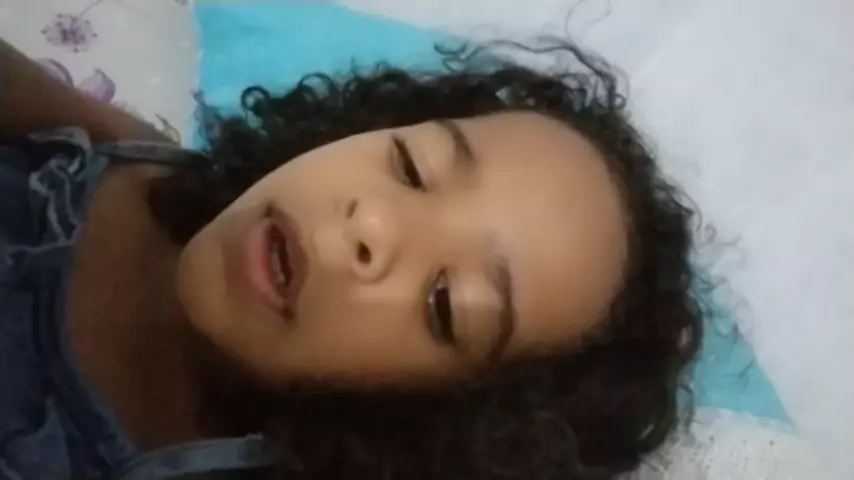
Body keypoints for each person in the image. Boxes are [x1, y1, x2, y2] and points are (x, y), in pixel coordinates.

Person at [0, 37, 702, 479]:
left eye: (444, 305)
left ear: (433, 418)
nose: (371, 225)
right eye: (410, 164)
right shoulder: (147, 171)